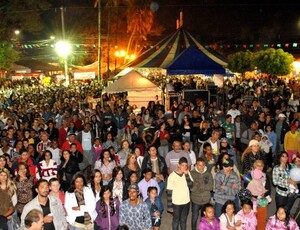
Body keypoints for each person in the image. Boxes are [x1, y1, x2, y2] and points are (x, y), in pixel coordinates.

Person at [166, 157, 193, 230]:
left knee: (183, 220)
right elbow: (169, 192)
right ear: (178, 165)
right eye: (182, 165)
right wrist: (170, 207)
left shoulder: (187, 173)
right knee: (176, 221)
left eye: (186, 165)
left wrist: (187, 175)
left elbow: (191, 186)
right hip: (176, 203)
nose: (184, 167)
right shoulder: (172, 176)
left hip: (186, 201)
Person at [190, 157, 213, 230]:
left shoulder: (208, 174)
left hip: (206, 200)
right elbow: (192, 188)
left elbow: (210, 187)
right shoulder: (192, 173)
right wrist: (202, 187)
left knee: (204, 218)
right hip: (196, 200)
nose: (201, 167)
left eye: (202, 165)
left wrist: (198, 185)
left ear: (204, 165)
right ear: (196, 165)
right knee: (194, 217)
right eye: (199, 165)